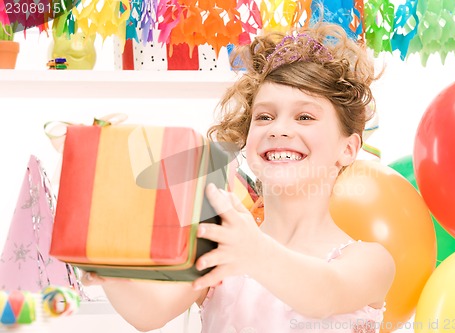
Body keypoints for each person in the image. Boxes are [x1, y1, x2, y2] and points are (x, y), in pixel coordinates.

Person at [82, 22, 395, 333]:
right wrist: (107, 262)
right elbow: (150, 313)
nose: (278, 129)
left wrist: (254, 250)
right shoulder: (221, 246)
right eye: (264, 117)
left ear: (348, 148)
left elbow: (323, 296)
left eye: (304, 117)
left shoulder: (370, 261)